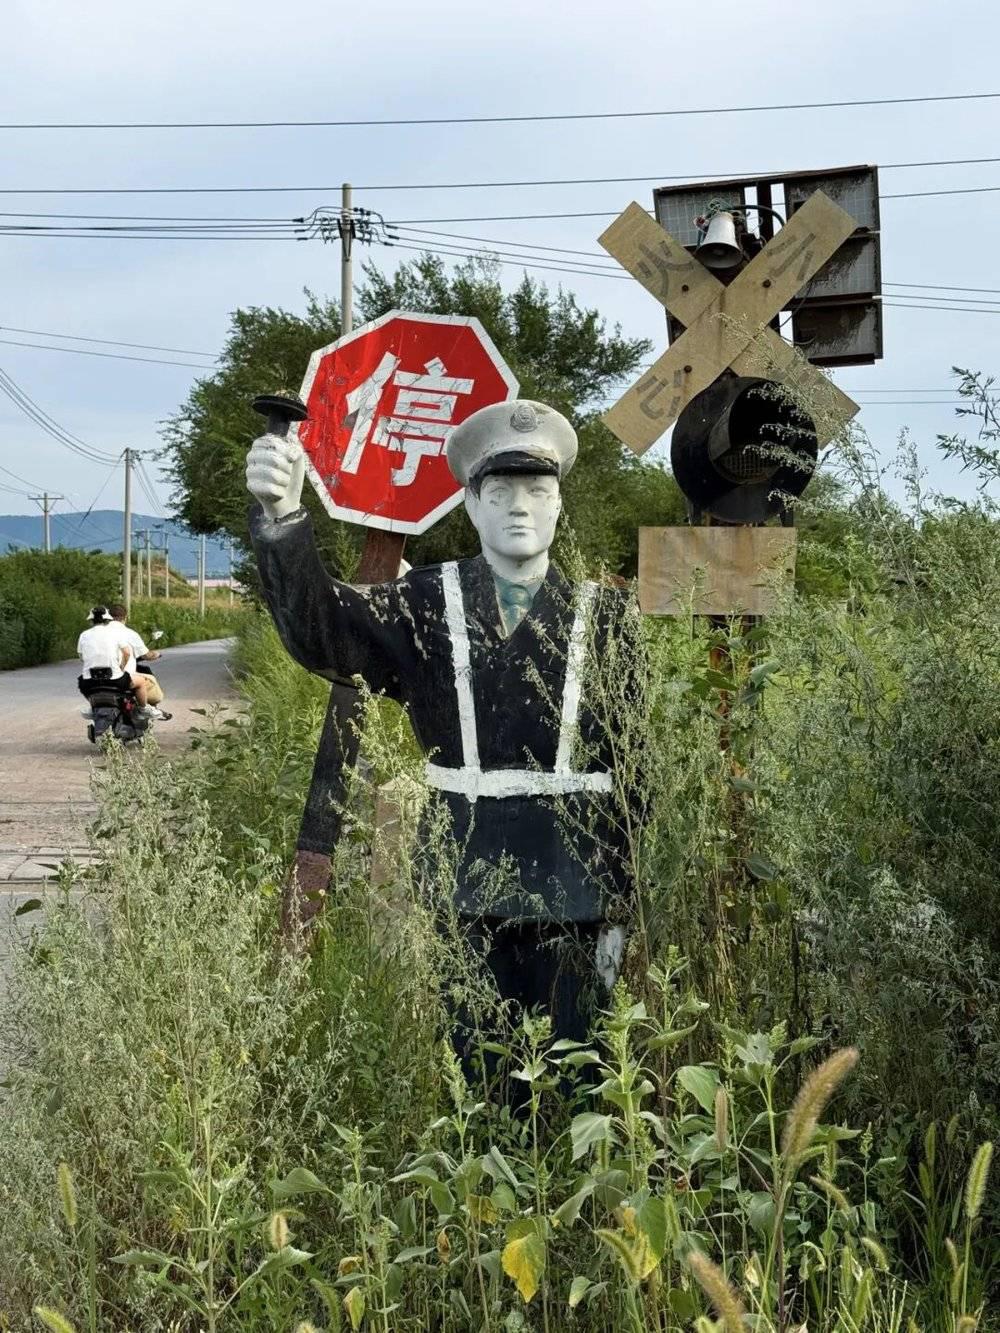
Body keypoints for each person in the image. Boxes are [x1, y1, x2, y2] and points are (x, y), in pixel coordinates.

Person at [245, 399, 642, 1077]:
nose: (520, 508)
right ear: (471, 506)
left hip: (578, 880)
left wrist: (623, 892)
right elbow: (328, 631)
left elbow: (636, 770)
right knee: (479, 1065)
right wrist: (282, 519)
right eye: (500, 492)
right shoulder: (427, 602)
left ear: (558, 506)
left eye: (537, 491)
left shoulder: (606, 617)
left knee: (580, 1069)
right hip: (463, 874)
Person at [76, 605, 165, 718]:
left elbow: (82, 657)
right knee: (141, 682)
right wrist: (122, 667)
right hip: (116, 679)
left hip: (90, 681)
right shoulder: (117, 633)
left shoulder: (84, 635)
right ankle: (143, 709)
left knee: (82, 683)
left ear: (91, 620)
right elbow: (127, 653)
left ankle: (93, 706)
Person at [107, 603, 171, 719]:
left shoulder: (98, 634)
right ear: (125, 617)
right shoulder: (130, 634)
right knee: (149, 682)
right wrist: (155, 654)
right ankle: (145, 708)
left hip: (99, 676)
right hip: (123, 676)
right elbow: (146, 655)